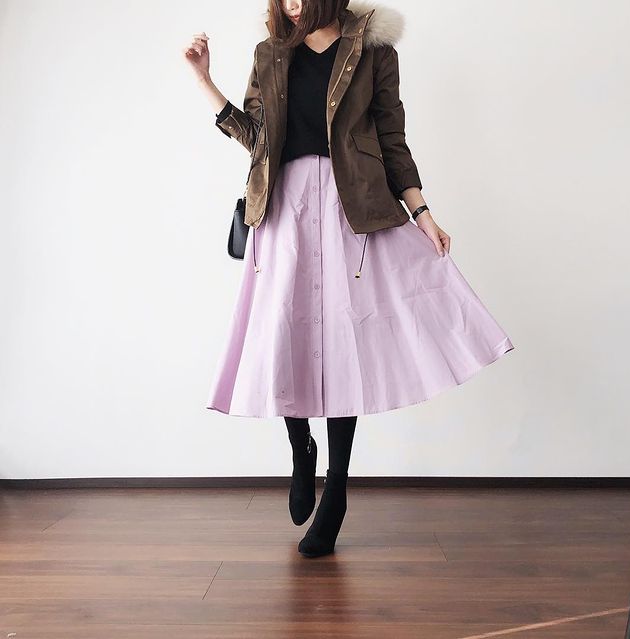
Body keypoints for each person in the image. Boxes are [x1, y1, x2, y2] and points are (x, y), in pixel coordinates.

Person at [183, 0, 515, 558]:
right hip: (284, 211)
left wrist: (422, 212)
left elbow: (392, 138)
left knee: (343, 344)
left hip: (349, 208)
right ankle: (301, 450)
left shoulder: (372, 51)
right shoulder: (270, 52)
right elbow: (258, 139)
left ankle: (335, 489)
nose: (291, 4)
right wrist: (204, 80)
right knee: (284, 335)